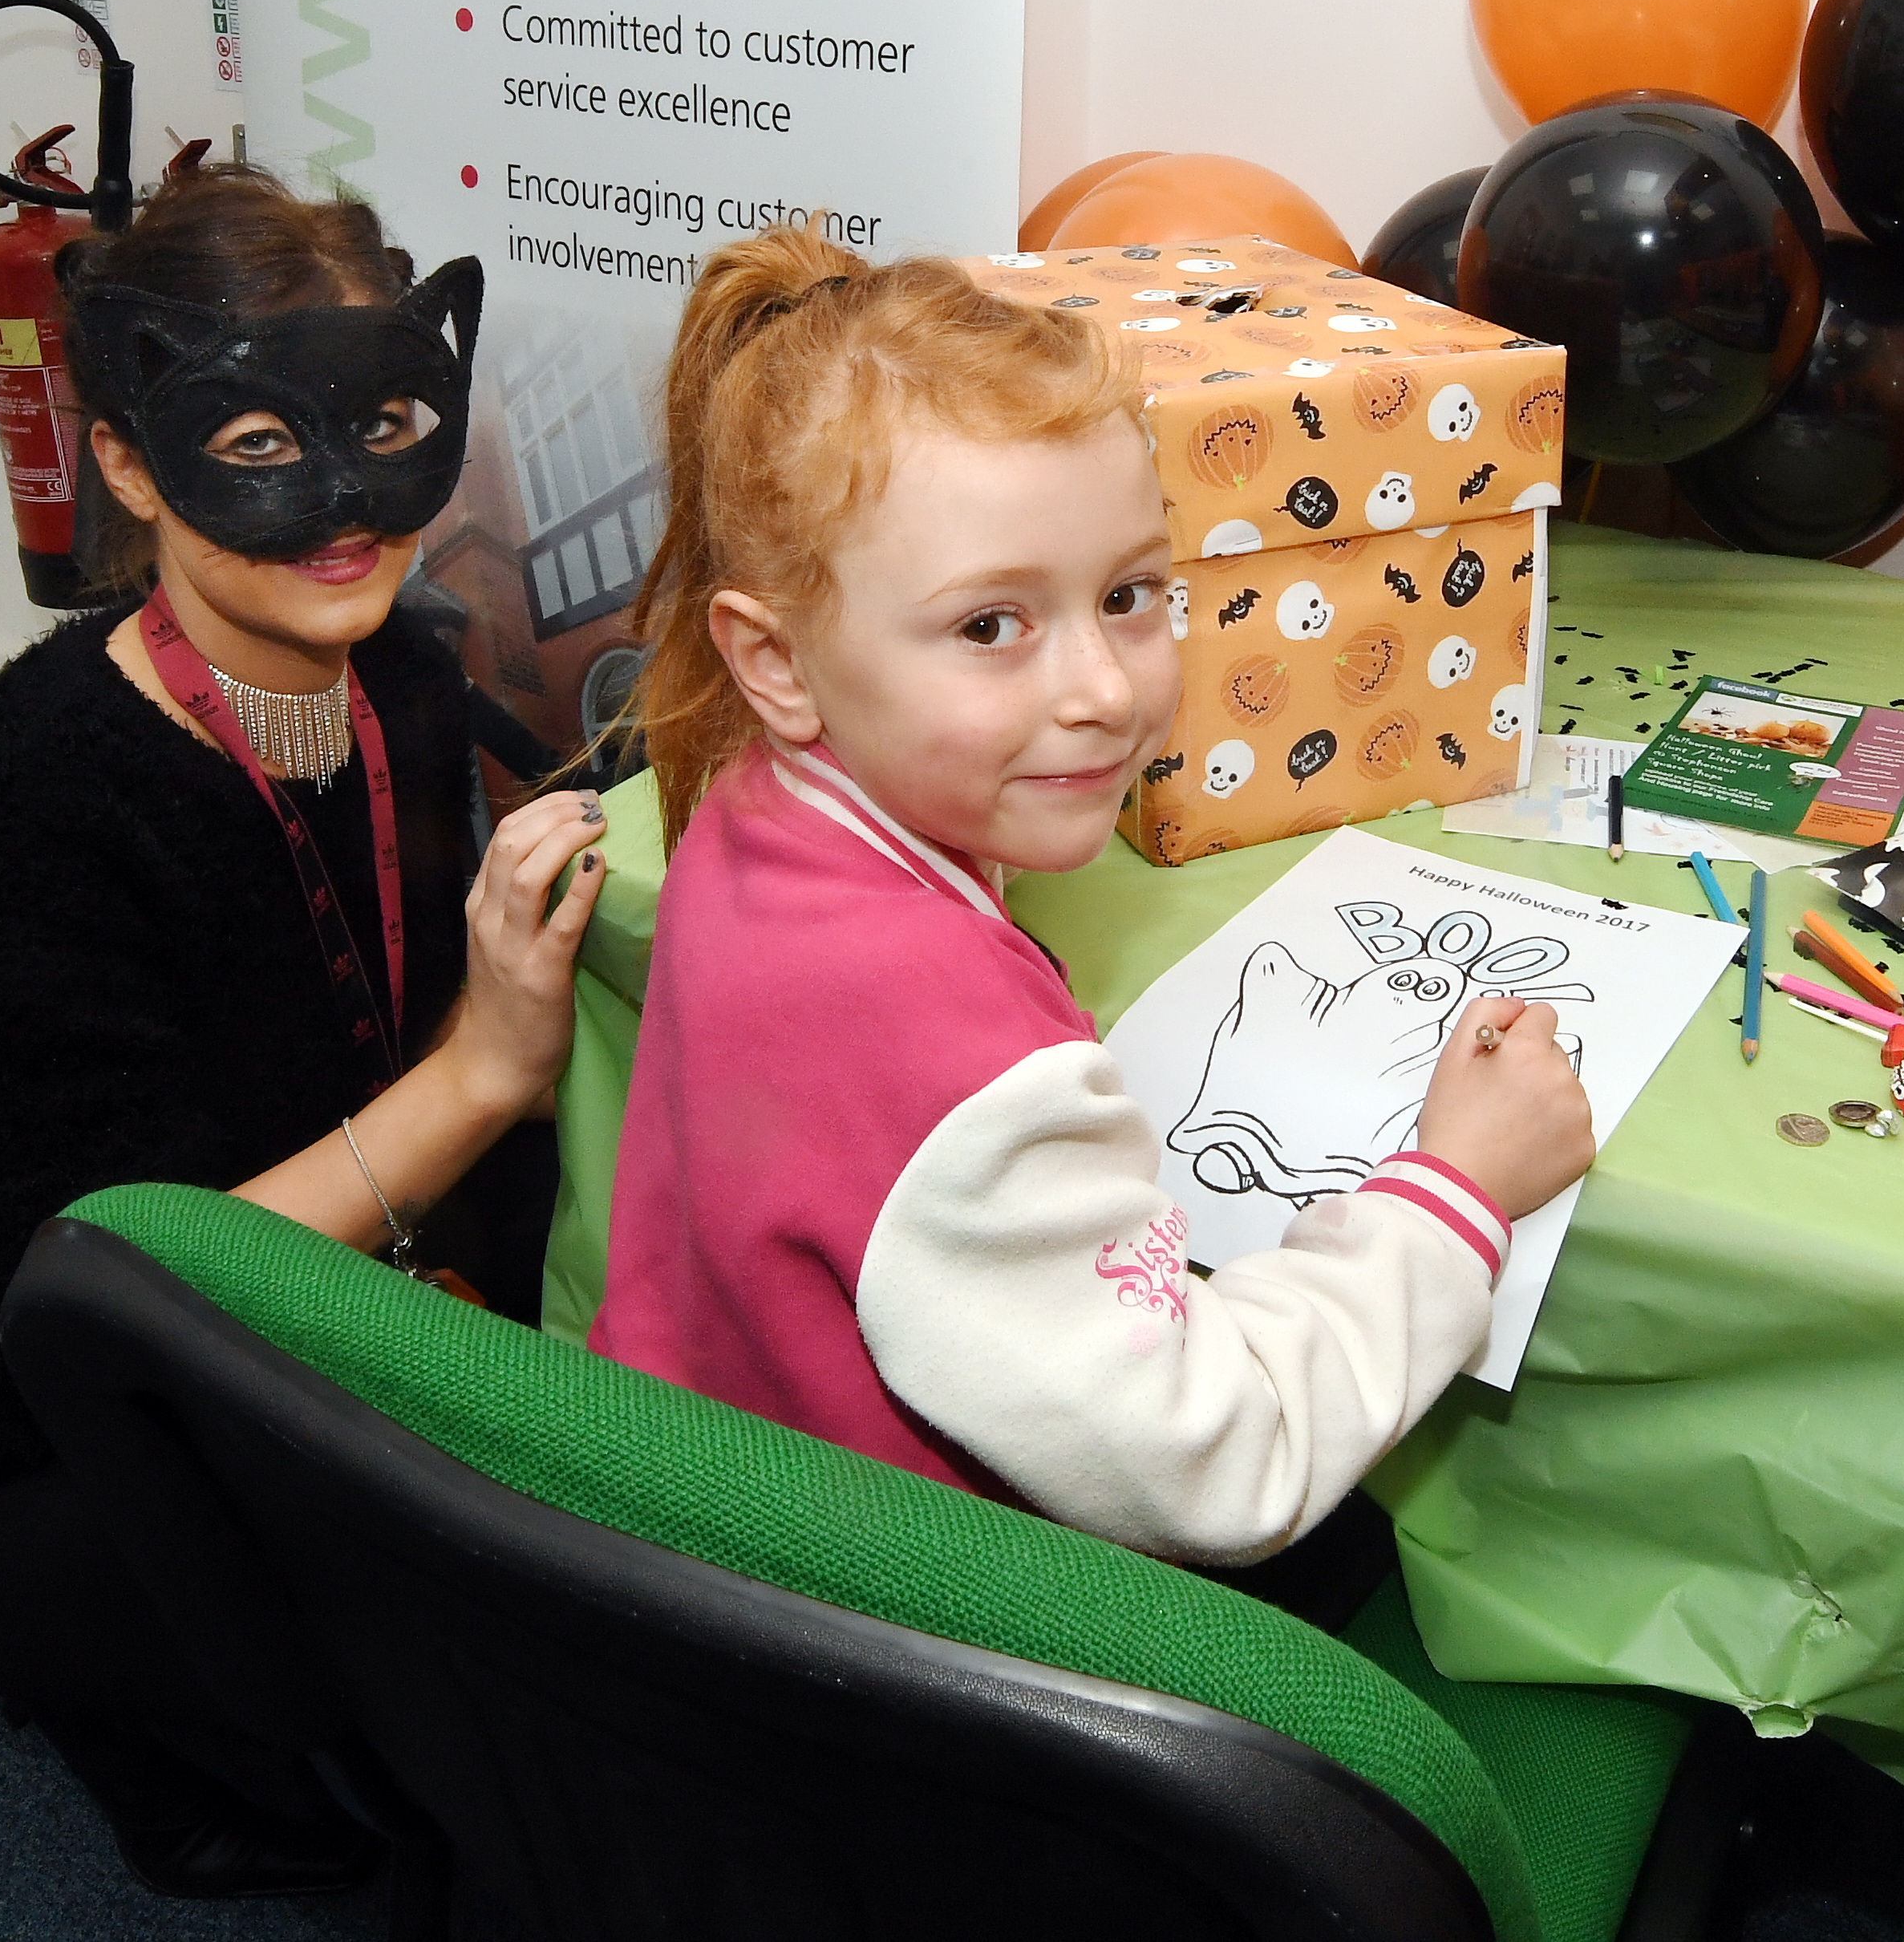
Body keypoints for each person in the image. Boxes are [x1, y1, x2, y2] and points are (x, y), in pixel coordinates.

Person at [0, 167, 606, 1899]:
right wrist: (480, 1076)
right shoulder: (28, 795)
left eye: (384, 421)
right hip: (29, 1430)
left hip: (320, 1269)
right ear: (128, 462)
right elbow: (92, 1283)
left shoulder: (392, 674)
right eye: (254, 443)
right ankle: (140, 1743)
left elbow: (369, 1011)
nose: (339, 508)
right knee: (430, 1684)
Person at [597, 229, 1595, 1568]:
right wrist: (1456, 1186)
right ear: (776, 661)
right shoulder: (956, 1060)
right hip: (919, 1646)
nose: (1107, 691)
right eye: (990, 625)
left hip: (708, 1523)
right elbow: (1223, 1461)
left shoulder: (749, 805)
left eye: (1130, 593)